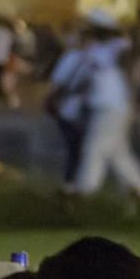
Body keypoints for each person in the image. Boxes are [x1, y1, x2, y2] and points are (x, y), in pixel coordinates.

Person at [73, 8, 140, 199]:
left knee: (95, 150)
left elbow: (129, 71)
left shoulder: (119, 46)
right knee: (119, 154)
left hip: (114, 106)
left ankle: (86, 193)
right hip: (104, 105)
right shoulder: (95, 48)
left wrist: (135, 101)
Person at [44, 24, 90, 188]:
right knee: (81, 151)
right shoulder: (96, 60)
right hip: (86, 112)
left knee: (74, 151)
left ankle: (70, 185)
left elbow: (56, 83)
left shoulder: (72, 57)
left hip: (68, 110)